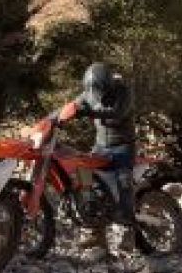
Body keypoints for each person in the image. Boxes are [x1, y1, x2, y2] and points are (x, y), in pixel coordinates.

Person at [51, 62, 136, 255]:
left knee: (123, 181)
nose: (95, 93)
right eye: (92, 90)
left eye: (98, 89)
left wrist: (86, 111)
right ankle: (95, 232)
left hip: (123, 147)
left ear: (107, 83)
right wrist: (52, 119)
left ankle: (128, 230)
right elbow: (71, 107)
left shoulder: (123, 91)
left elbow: (117, 112)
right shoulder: (89, 94)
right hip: (100, 147)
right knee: (84, 178)